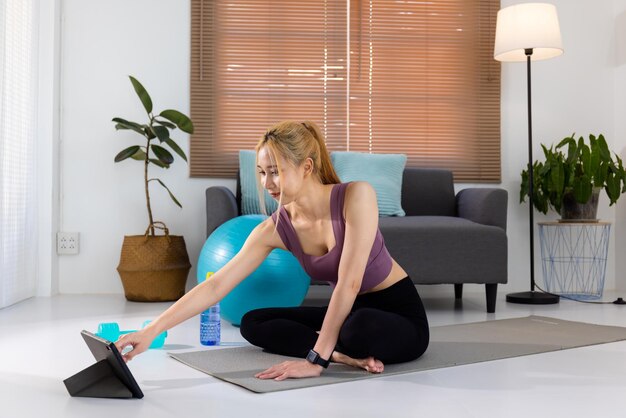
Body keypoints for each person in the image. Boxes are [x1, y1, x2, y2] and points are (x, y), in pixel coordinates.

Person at [115, 120, 429, 381]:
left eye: (276, 170)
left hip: (396, 313)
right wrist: (152, 331)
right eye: (262, 172)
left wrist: (314, 362)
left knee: (359, 329)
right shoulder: (274, 229)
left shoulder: (357, 196)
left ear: (306, 167)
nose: (267, 182)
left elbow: (349, 283)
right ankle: (340, 353)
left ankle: (328, 347)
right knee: (253, 322)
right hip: (347, 311)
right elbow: (216, 285)